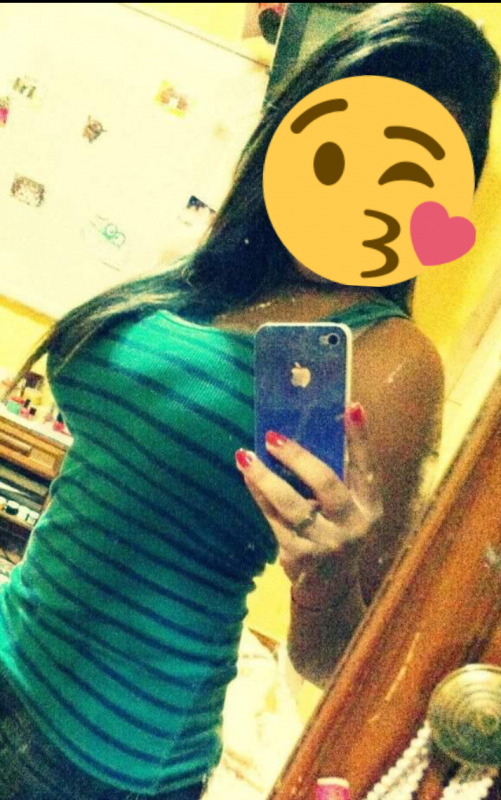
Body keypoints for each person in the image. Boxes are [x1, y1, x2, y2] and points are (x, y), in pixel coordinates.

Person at [0, 3, 499, 798]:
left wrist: (325, 572)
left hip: (100, 756)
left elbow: (336, 663)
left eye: (402, 165)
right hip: (15, 638)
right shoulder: (203, 268)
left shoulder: (387, 359)